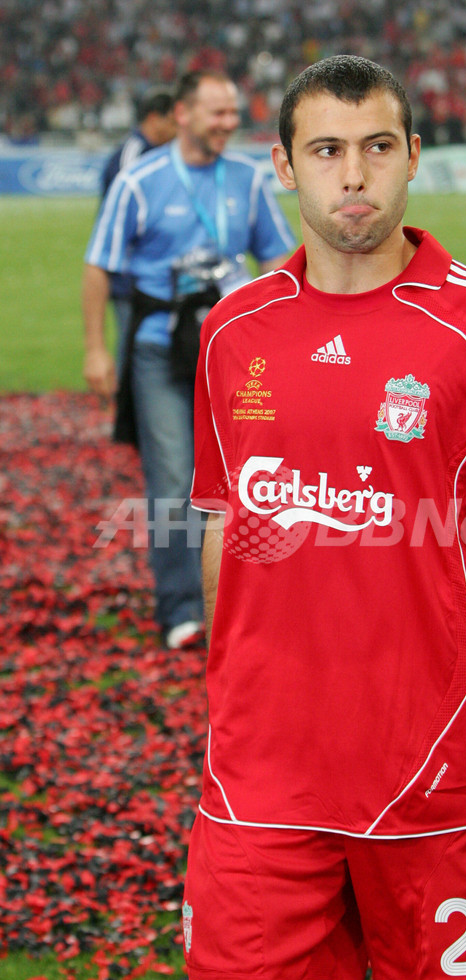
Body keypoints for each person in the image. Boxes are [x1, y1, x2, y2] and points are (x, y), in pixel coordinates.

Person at [184, 55, 466, 980]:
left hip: (443, 771)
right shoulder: (233, 330)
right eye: (326, 150)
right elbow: (224, 520)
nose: (353, 174)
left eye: (377, 146)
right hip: (263, 770)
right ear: (282, 165)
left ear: (413, 155)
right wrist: (228, 694)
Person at [82, 69, 295, 649]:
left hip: (235, 357)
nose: (230, 123)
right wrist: (97, 349)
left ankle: (243, 602)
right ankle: (182, 610)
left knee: (250, 478)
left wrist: (284, 334)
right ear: (183, 113)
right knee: (175, 478)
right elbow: (99, 264)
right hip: (159, 350)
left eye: (233, 113)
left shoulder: (248, 179)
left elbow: (278, 259)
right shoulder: (139, 181)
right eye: (218, 112)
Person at [99, 87, 177, 370]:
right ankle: (124, 395)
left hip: (154, 274)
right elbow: (120, 221)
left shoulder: (161, 153)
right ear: (154, 118)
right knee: (131, 346)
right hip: (129, 276)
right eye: (173, 121)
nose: (178, 129)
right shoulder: (132, 157)